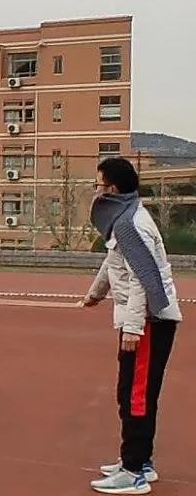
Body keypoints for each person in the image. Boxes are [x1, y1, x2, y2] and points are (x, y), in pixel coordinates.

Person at [79, 158, 183, 495]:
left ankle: (133, 471)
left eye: (98, 184)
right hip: (145, 320)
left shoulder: (130, 224)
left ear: (112, 188)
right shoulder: (125, 218)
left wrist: (134, 328)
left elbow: (143, 279)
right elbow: (115, 263)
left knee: (135, 395)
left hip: (149, 322)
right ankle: (141, 461)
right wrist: (95, 294)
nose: (96, 190)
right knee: (134, 393)